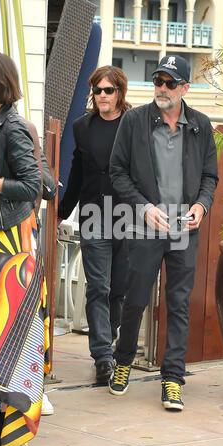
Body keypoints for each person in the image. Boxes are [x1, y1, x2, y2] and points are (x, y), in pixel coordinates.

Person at [109, 55, 218, 411]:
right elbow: (118, 172)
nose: (162, 88)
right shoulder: (134, 121)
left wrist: (201, 206)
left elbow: (210, 177)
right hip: (145, 225)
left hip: (184, 228)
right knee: (136, 298)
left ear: (185, 88)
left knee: (179, 303)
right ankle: (123, 361)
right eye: (158, 81)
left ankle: (172, 379)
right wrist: (144, 207)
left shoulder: (201, 125)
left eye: (170, 83)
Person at [0, 51, 50, 446]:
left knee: (11, 336)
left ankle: (12, 429)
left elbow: (33, 186)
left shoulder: (13, 128)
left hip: (10, 247)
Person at [57, 66, 131, 384]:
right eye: (97, 90)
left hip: (128, 217)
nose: (102, 95)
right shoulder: (82, 127)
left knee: (118, 289)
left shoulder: (134, 125)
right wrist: (63, 211)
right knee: (98, 287)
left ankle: (110, 344)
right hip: (93, 216)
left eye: (108, 90)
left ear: (120, 93)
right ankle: (102, 356)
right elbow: (77, 171)